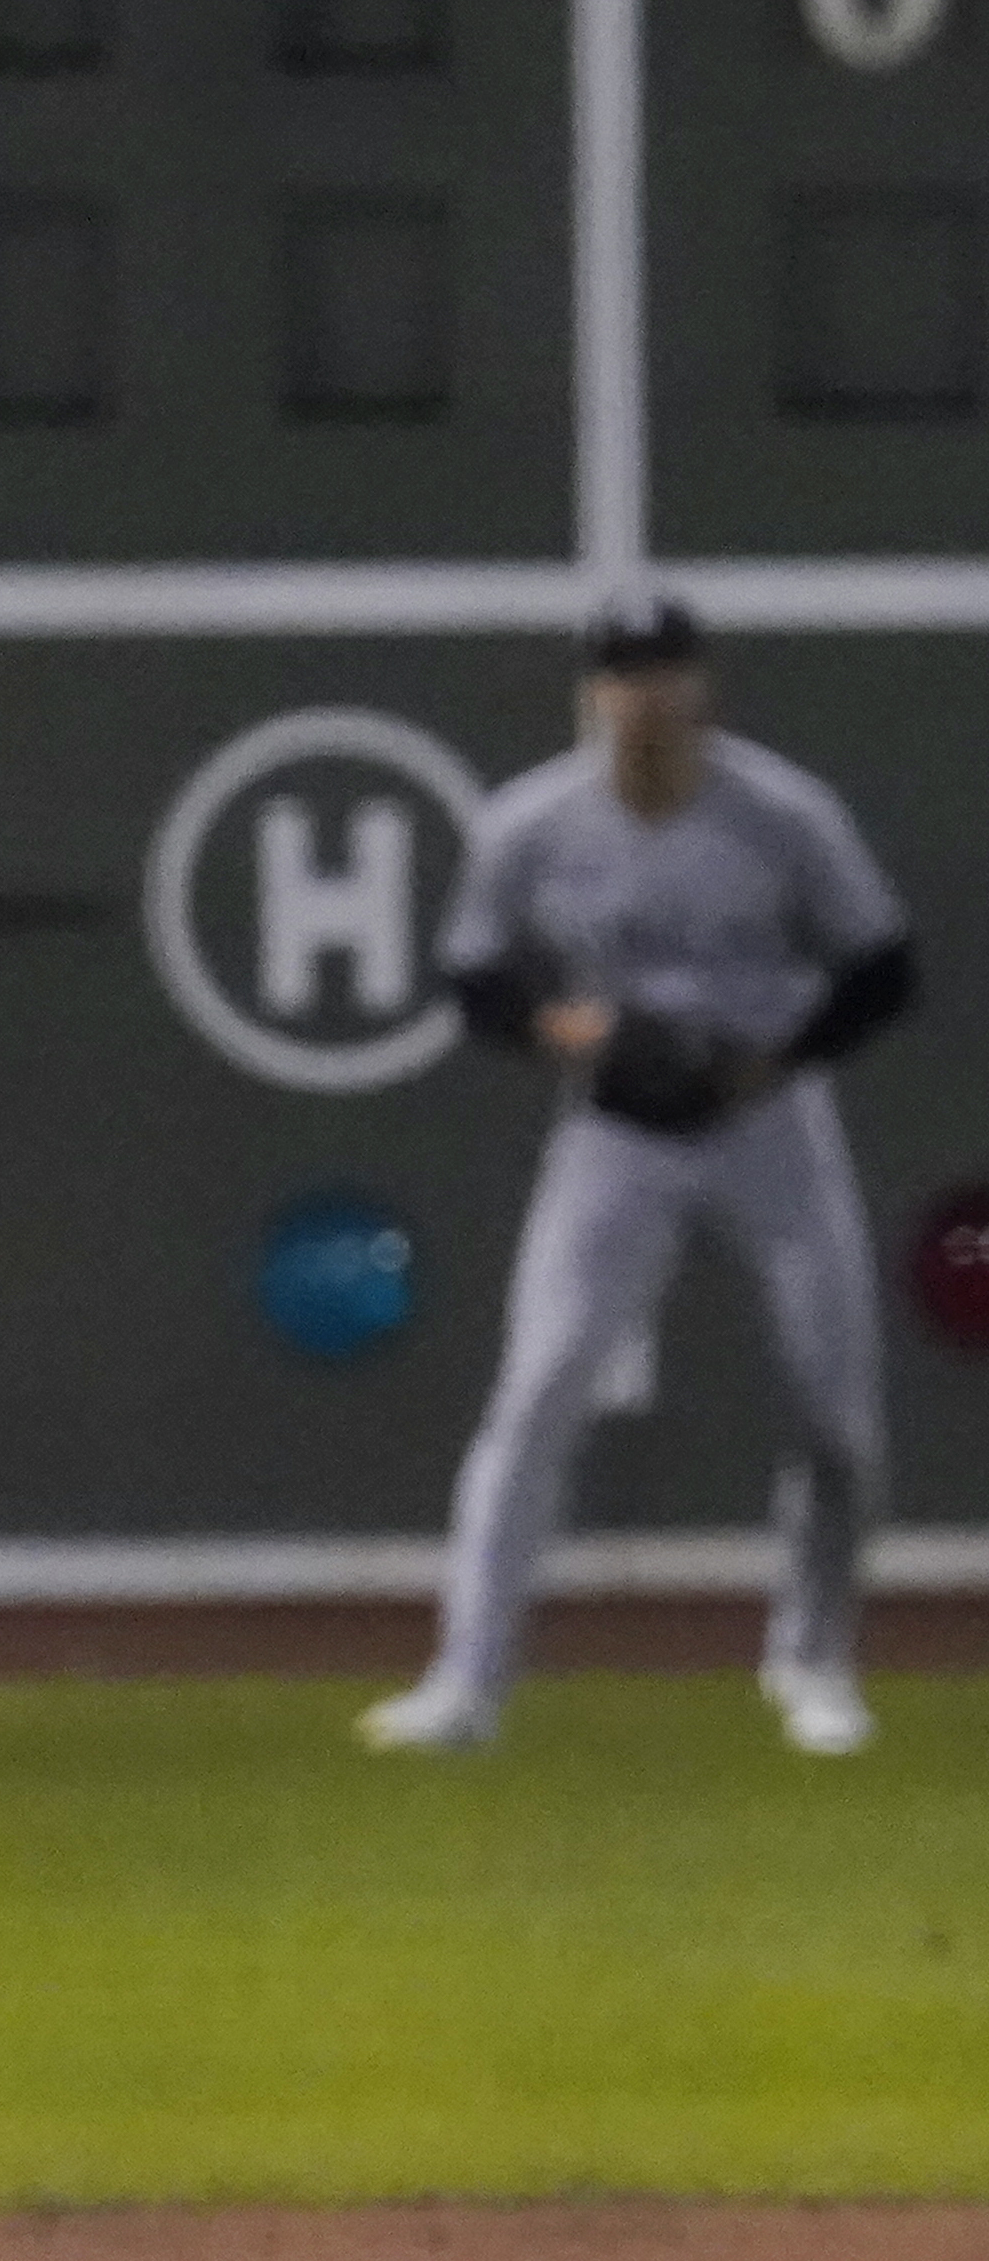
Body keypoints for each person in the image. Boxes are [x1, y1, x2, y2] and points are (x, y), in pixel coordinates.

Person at [368, 593, 921, 1759]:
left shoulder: (780, 814)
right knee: (536, 1395)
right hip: (616, 1128)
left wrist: (777, 1057)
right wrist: (564, 1031)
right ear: (593, 692)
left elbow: (881, 966)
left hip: (768, 1119)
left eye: (665, 669)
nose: (646, 693)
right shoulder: (534, 822)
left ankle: (814, 1658)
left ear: (701, 686)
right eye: (624, 671)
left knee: (837, 1406)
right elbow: (473, 974)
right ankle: (467, 1682)